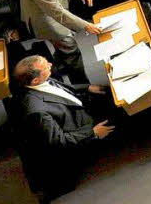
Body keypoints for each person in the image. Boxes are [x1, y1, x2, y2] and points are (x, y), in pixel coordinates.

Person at [10, 54, 114, 201]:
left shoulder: (40, 80)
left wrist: (88, 87)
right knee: (121, 116)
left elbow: (64, 90)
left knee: (111, 92)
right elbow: (59, 142)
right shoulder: (36, 111)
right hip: (78, 132)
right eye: (46, 66)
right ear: (35, 80)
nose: (51, 65)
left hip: (77, 111)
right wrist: (93, 133)